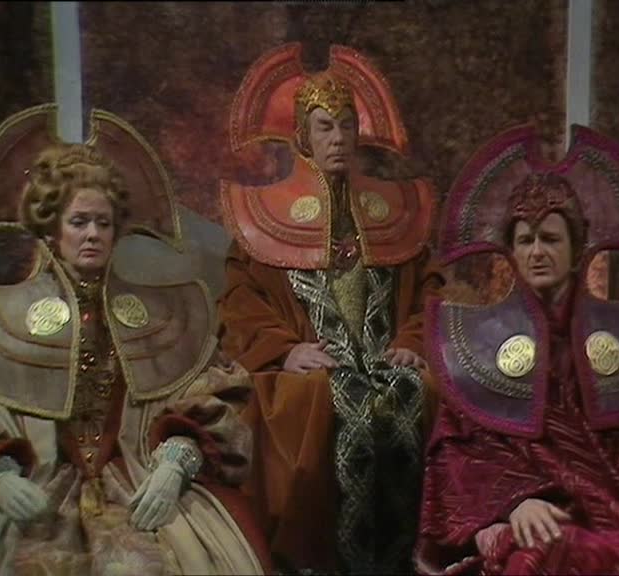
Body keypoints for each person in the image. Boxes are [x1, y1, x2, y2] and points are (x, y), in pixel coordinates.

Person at [0, 141, 271, 575]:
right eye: (78, 222)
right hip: (39, 486)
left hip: (137, 477)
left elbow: (211, 392)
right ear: (51, 229)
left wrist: (176, 463)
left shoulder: (162, 317)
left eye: (103, 223)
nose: (92, 234)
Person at [415, 125, 619, 575]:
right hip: (532, 518)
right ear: (510, 251)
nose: (538, 251)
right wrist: (513, 503)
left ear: (577, 248)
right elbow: (460, 454)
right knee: (541, 558)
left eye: (551, 239)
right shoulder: (474, 347)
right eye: (526, 240)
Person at [219, 51, 443, 573]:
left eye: (346, 125)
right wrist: (285, 349)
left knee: (416, 393)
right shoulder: (263, 220)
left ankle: (406, 560)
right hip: (313, 374)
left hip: (387, 366)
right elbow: (240, 304)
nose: (338, 138)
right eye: (325, 127)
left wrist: (412, 342)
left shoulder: (396, 216)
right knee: (329, 399)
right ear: (302, 136)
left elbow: (430, 292)